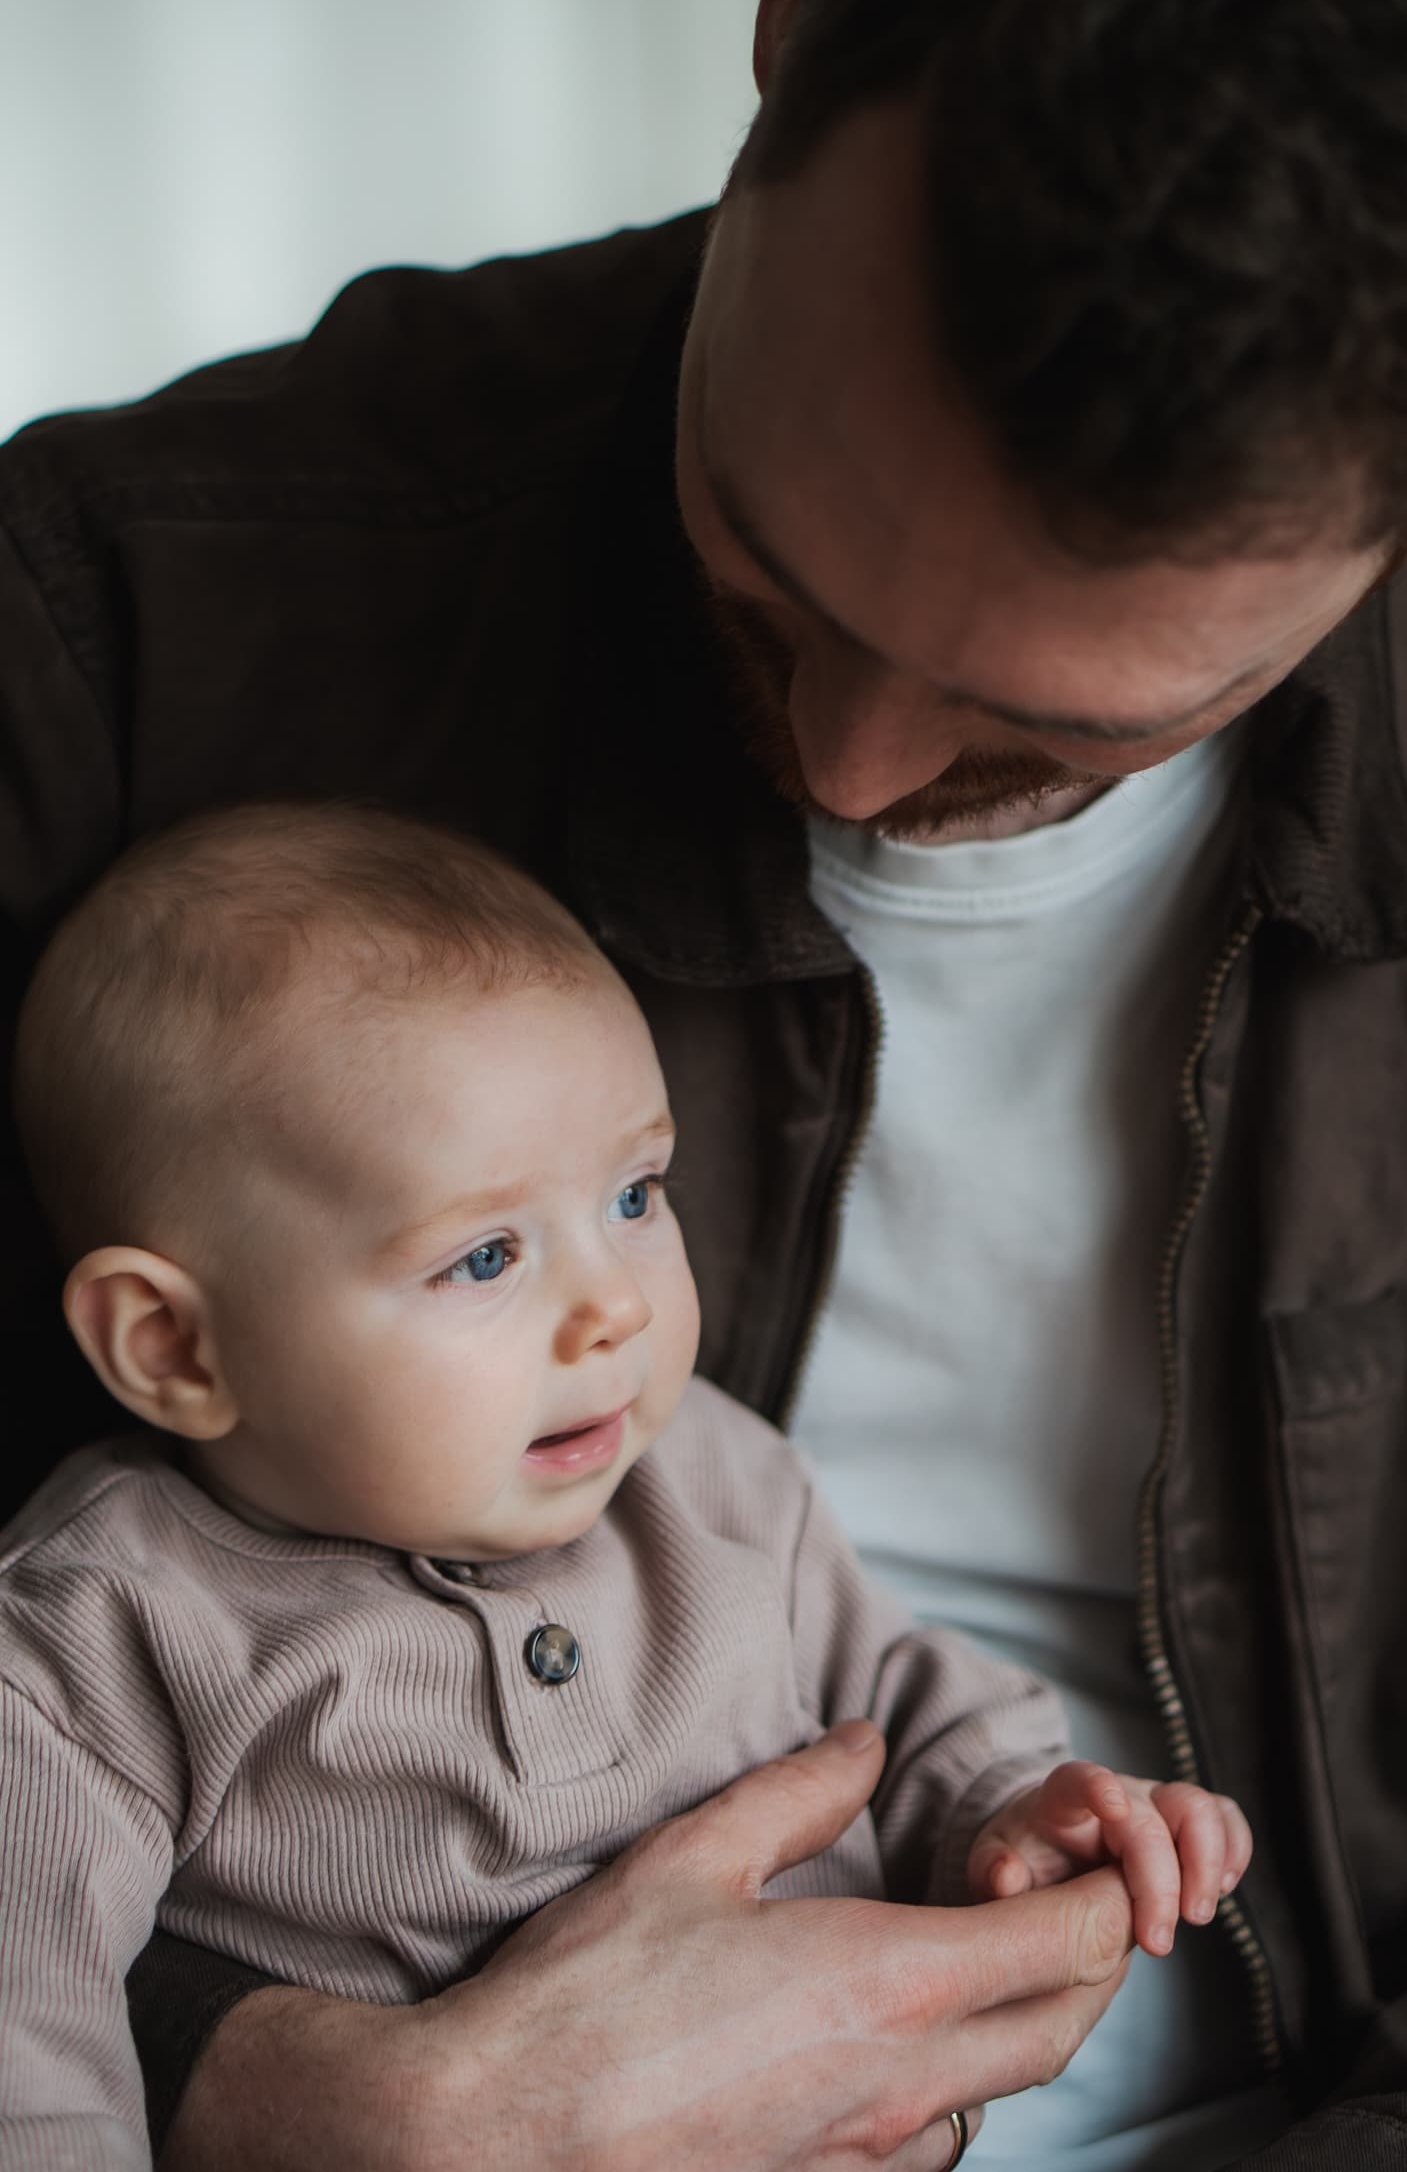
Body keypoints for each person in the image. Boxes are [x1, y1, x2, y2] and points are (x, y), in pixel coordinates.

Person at [1, 0, 1407, 2166]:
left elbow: (922, 1700)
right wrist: (270, 2085)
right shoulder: (110, 624)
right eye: (765, 562)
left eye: (1054, 719)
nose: (848, 770)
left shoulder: (724, 1494)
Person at [0, 800, 1254, 2171]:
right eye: (485, 1256)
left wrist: (1015, 1817)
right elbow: (32, 2058)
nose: (616, 1307)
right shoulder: (93, 1639)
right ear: (173, 1346)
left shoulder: (708, 1474)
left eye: (636, 1195)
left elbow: (902, 1705)